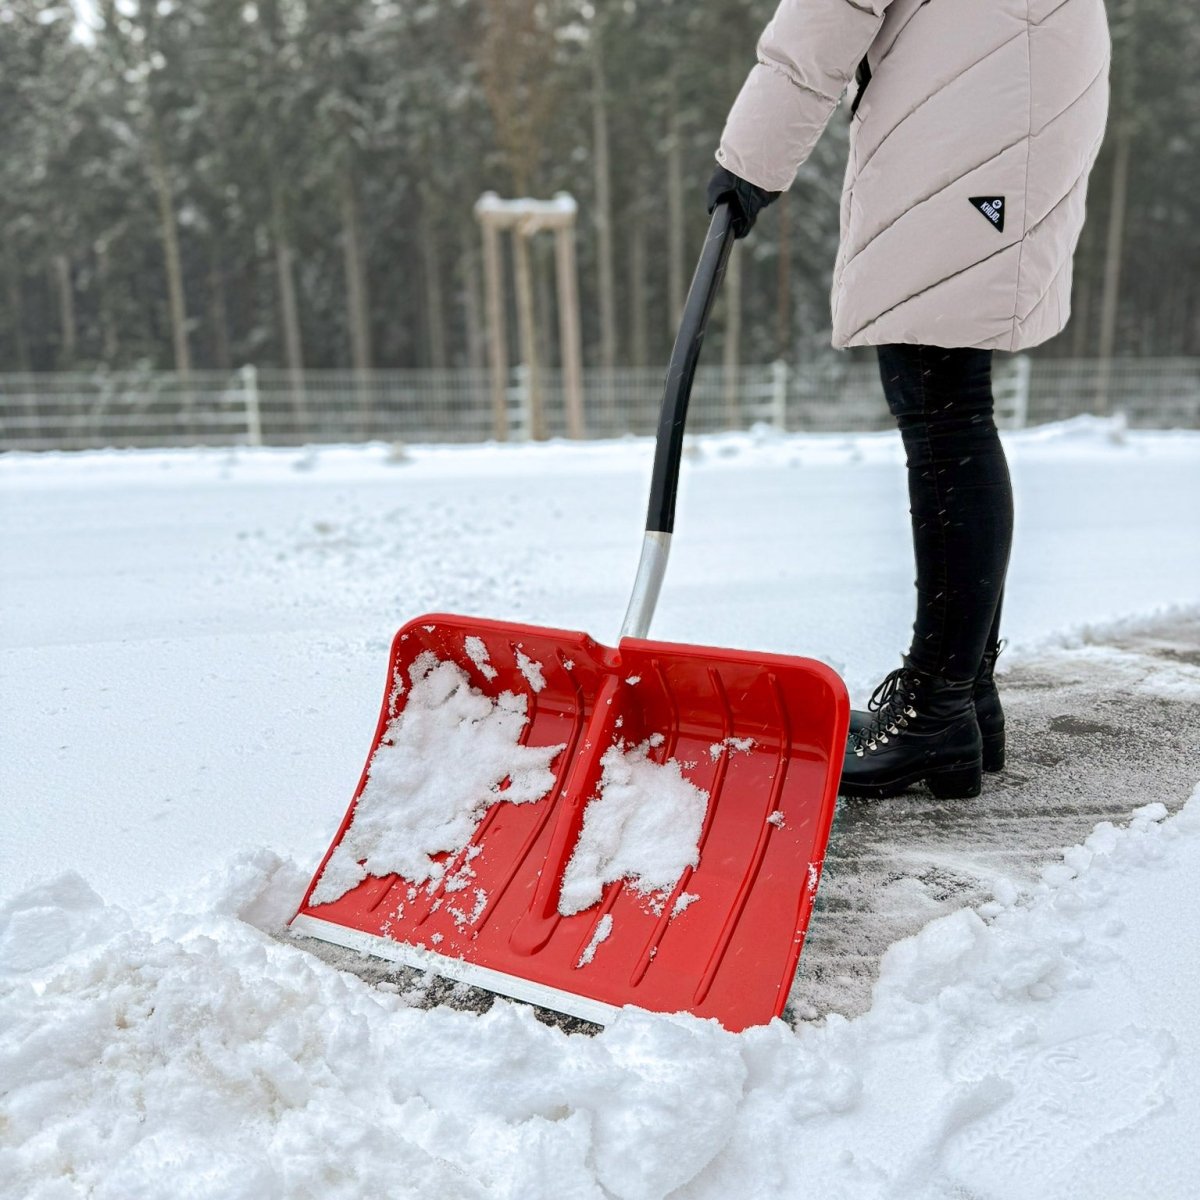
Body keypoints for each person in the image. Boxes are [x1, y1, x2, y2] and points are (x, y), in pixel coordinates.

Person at [708, 0, 1111, 800]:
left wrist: (750, 160)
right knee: (947, 396)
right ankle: (962, 696)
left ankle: (940, 706)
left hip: (975, 99)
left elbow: (826, 17)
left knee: (941, 399)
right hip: (1002, 80)